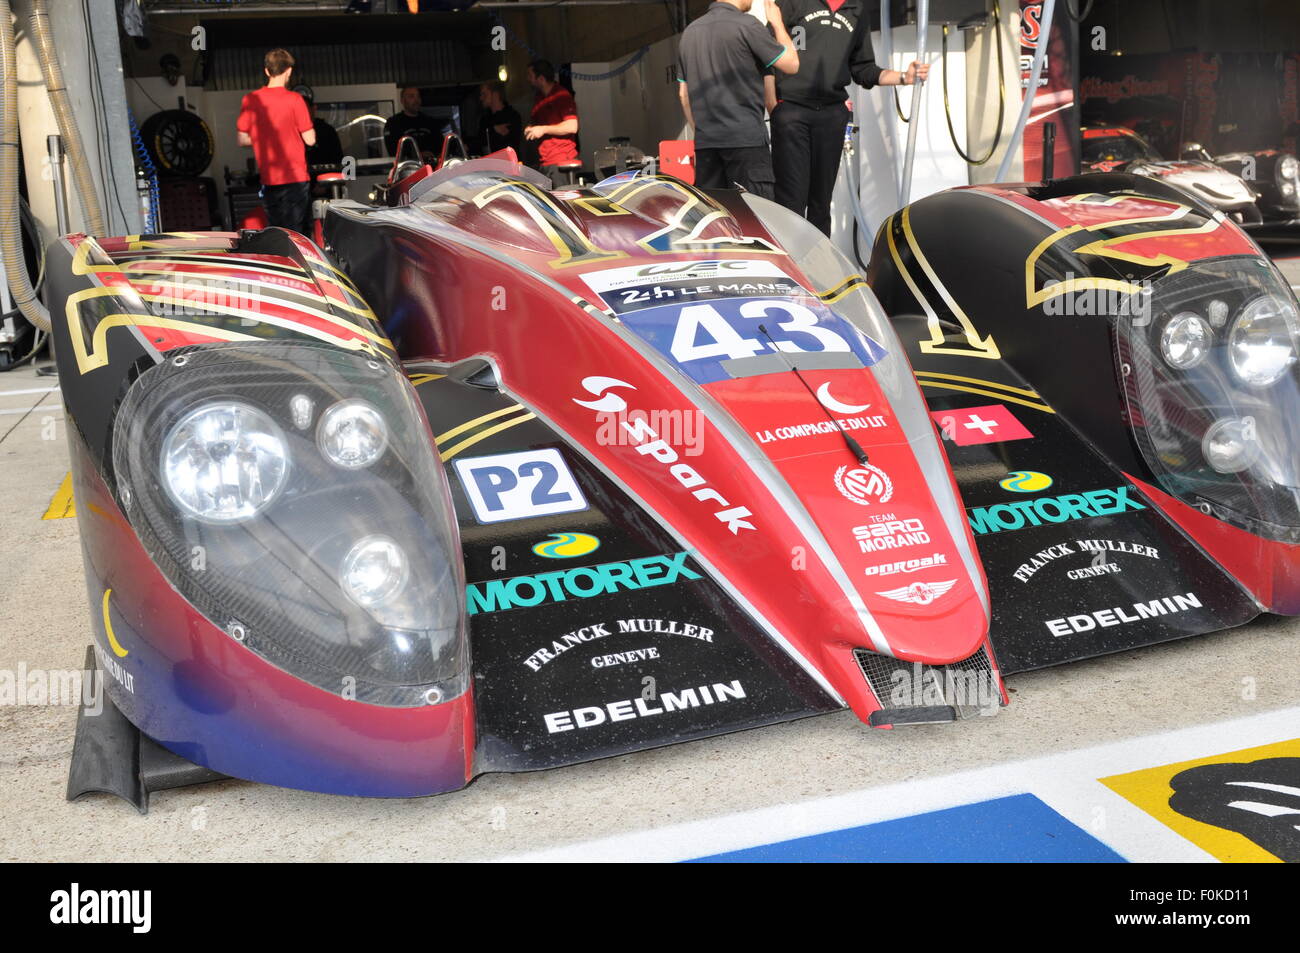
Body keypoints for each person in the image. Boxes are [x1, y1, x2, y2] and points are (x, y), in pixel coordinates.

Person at [767, 0, 929, 235]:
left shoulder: (857, 9)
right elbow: (767, 54)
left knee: (821, 204)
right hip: (792, 111)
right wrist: (773, 106)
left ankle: (820, 268)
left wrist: (905, 76)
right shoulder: (794, 2)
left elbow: (863, 69)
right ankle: (788, 269)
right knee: (791, 201)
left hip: (831, 115)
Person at [677, 0, 799, 199]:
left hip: (707, 145)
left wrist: (704, 131)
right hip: (746, 142)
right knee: (754, 217)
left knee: (715, 220)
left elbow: (683, 96)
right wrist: (777, 23)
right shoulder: (746, 25)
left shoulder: (690, 33)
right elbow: (792, 64)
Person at [236, 48, 316, 235]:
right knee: (297, 233)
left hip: (269, 179)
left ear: (266, 71)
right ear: (289, 71)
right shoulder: (295, 100)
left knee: (276, 231)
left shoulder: (251, 100)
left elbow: (242, 139)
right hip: (295, 177)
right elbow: (310, 140)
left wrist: (262, 136)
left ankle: (280, 262)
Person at [523, 60, 580, 184]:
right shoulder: (539, 98)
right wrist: (531, 128)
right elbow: (537, 123)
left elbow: (572, 126)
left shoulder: (562, 96)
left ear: (541, 78)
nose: (528, 79)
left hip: (561, 161)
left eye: (530, 75)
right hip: (544, 161)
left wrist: (542, 129)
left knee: (562, 202)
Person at [384, 87, 439, 157]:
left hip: (431, 166)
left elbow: (440, 146)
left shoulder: (429, 121)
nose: (416, 100)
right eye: (411, 96)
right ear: (402, 101)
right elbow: (393, 150)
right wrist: (418, 155)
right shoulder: (393, 123)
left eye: (418, 96)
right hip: (407, 166)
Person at [477, 80, 523, 156]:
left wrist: (491, 132)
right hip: (491, 164)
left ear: (495, 94)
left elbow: (511, 141)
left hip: (508, 164)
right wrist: (493, 130)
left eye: (484, 94)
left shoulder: (512, 116)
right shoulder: (484, 120)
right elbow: (480, 142)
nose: (481, 98)